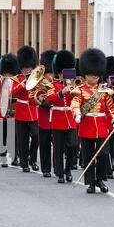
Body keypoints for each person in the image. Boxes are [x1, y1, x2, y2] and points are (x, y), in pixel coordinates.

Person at [71, 48, 114, 194]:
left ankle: (100, 179)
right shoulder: (79, 90)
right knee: (88, 157)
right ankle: (91, 183)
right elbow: (75, 103)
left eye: (96, 74)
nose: (94, 76)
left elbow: (110, 109)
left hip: (102, 128)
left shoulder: (104, 91)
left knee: (104, 155)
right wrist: (77, 114)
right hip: (87, 127)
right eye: (92, 73)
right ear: (86, 73)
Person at [48, 50, 77, 183]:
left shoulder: (74, 85)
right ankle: (60, 173)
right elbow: (49, 98)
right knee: (58, 148)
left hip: (70, 119)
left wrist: (72, 88)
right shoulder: (53, 85)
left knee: (73, 145)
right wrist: (61, 92)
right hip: (58, 119)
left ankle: (68, 169)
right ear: (59, 72)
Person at [12, 46, 39, 173]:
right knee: (22, 138)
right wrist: (23, 83)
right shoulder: (17, 78)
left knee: (35, 135)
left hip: (33, 110)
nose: (28, 69)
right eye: (25, 67)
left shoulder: (37, 78)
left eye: (29, 67)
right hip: (21, 110)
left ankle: (33, 159)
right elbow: (13, 91)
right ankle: (24, 162)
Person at [36, 50, 57, 178]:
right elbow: (36, 97)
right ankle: (46, 168)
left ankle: (57, 167)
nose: (50, 75)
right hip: (44, 116)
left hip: (56, 117)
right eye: (49, 72)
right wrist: (45, 101)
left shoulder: (57, 81)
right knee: (44, 143)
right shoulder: (39, 81)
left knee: (57, 144)